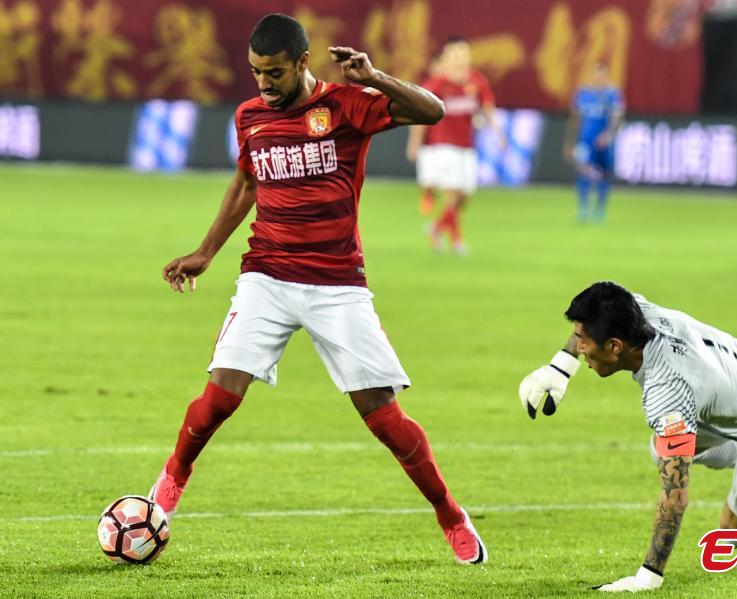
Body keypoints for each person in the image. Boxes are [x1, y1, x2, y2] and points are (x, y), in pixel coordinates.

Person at [149, 14, 487, 565]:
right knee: (218, 398)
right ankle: (172, 478)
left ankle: (450, 513)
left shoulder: (347, 105)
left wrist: (374, 77)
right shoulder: (251, 117)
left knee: (382, 415)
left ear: (303, 63)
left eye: (275, 73)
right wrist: (206, 251)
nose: (264, 84)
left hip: (336, 283)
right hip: (267, 275)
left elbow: (434, 110)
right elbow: (247, 182)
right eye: (257, 72)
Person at [518, 282, 737, 592]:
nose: (580, 347)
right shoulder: (634, 312)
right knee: (661, 448)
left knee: (732, 533)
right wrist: (560, 368)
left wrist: (649, 575)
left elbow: (675, 494)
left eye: (583, 342)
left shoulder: (668, 391)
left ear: (615, 346)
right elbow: (603, 301)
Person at [409, 37, 502, 254]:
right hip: (444, 147)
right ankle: (457, 240)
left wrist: (499, 134)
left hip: (467, 146)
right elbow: (420, 116)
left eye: (463, 53)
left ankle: (436, 227)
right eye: (455, 54)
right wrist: (414, 142)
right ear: (446, 59)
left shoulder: (477, 81)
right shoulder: (436, 85)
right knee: (452, 194)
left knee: (465, 196)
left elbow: (488, 108)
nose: (460, 58)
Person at [563, 64, 624, 223]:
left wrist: (609, 134)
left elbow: (618, 116)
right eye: (596, 75)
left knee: (603, 175)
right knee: (583, 173)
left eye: (602, 75)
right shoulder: (583, 94)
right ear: (592, 76)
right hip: (585, 142)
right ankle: (583, 208)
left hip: (603, 143)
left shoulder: (612, 94)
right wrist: (570, 142)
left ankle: (600, 210)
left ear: (606, 76)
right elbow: (575, 120)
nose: (599, 79)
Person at [407, 53, 445, 217]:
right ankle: (428, 201)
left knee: (449, 185)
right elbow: (418, 119)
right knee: (428, 182)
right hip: (430, 144)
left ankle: (441, 218)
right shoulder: (427, 88)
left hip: (448, 144)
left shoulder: (456, 85)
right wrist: (414, 142)